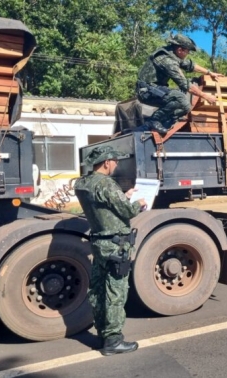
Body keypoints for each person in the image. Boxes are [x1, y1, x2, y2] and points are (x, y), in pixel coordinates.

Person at [74, 146, 147, 356]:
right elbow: (128, 210)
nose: (116, 165)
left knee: (97, 289)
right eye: (115, 161)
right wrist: (138, 202)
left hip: (99, 243)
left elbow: (105, 204)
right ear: (107, 162)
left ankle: (103, 333)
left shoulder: (83, 183)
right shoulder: (107, 183)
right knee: (116, 291)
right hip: (116, 245)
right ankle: (113, 341)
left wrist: (124, 195)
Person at [136, 33, 223, 135]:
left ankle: (161, 122)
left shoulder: (172, 54)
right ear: (180, 50)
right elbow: (185, 85)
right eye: (187, 51)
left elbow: (190, 65)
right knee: (179, 98)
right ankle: (153, 121)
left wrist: (209, 72)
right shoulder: (167, 60)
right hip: (146, 92)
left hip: (156, 89)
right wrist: (206, 96)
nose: (187, 54)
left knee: (185, 107)